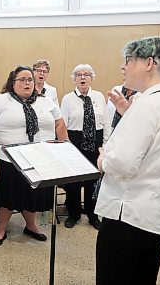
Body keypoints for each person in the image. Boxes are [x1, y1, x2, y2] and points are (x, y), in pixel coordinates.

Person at [96, 36, 160, 285]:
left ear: (149, 63)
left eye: (129, 60)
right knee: (143, 276)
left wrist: (102, 160)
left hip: (129, 215)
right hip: (158, 214)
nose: (124, 67)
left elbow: (123, 164)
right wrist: (128, 114)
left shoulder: (147, 105)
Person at [0, 66, 68, 245]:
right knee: (8, 198)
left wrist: (64, 149)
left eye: (30, 79)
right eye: (22, 79)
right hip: (9, 160)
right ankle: (1, 230)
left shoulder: (45, 101)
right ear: (12, 82)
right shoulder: (1, 101)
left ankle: (31, 226)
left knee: (32, 197)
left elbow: (59, 124)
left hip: (39, 159)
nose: (27, 83)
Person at [60, 64, 110, 230]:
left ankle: (92, 215)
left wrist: (104, 144)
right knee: (73, 180)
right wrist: (65, 145)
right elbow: (63, 124)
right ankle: (73, 214)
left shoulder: (99, 96)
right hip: (74, 141)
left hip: (95, 142)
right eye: (79, 75)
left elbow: (106, 123)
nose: (82, 77)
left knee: (93, 180)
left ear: (91, 78)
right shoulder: (68, 99)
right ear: (74, 79)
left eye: (86, 74)